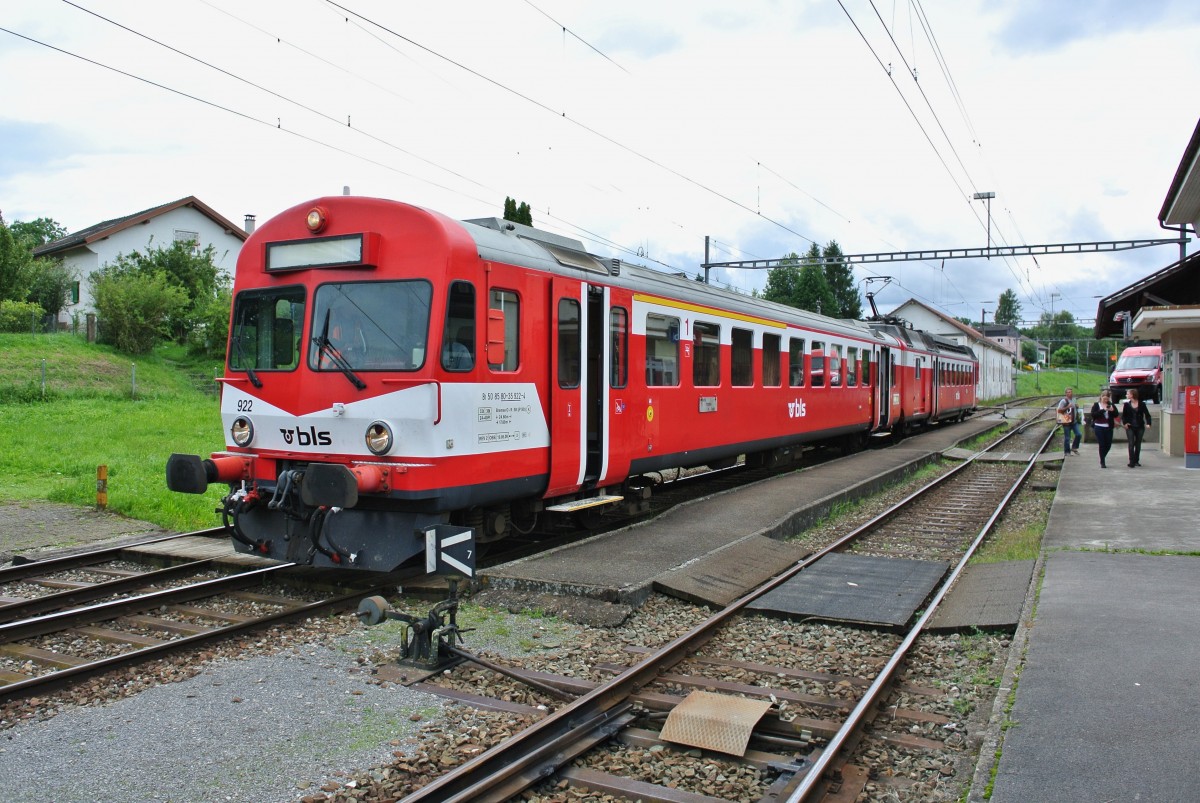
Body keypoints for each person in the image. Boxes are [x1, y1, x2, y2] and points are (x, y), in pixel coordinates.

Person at [1121, 387, 1152, 468]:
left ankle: (1136, 460)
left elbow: (1147, 415)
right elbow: (1124, 416)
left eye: (1127, 394)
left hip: (1140, 426)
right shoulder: (1126, 405)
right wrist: (1125, 423)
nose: (1126, 395)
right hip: (1130, 426)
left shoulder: (1142, 404)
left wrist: (1148, 423)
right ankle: (1131, 461)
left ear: (1132, 395)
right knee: (1131, 443)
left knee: (1137, 444)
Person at [1089, 389, 1119, 468]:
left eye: (1107, 398)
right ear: (1101, 397)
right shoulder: (1096, 405)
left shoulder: (1111, 404)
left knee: (1108, 445)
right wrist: (1103, 410)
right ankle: (1102, 461)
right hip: (1099, 426)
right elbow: (1093, 414)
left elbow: (1116, 414)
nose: (1106, 400)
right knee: (1102, 444)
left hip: (1108, 427)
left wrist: (1112, 410)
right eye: (1104, 398)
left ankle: (1102, 456)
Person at [1056, 387, 1081, 456]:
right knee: (1067, 437)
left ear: (1072, 393)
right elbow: (1059, 410)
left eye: (1070, 392)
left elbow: (1074, 409)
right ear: (1065, 393)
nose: (1069, 393)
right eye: (1067, 392)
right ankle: (1067, 452)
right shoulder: (1063, 401)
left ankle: (1074, 447)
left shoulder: (1074, 400)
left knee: (1079, 434)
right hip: (1066, 422)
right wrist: (1067, 407)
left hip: (1074, 421)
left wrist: (1077, 406)